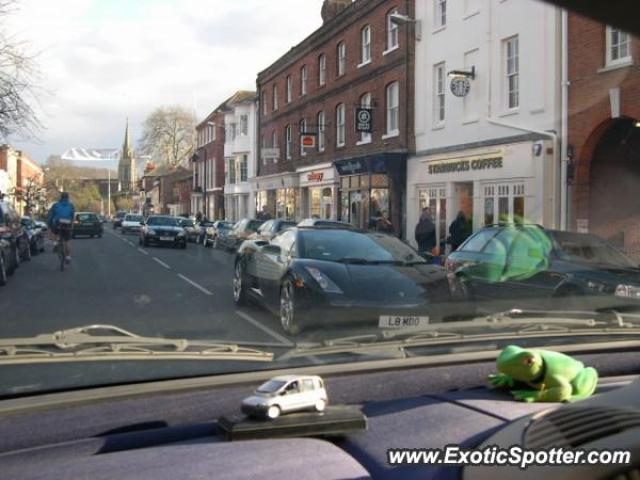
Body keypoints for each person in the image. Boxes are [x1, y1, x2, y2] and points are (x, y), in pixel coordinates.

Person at [47, 192, 75, 264]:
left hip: (57, 223)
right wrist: (72, 226)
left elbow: (50, 216)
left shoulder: (55, 205)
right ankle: (68, 256)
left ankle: (55, 243)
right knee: (66, 241)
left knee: (54, 231)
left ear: (61, 197)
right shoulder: (71, 205)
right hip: (67, 223)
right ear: (68, 198)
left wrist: (49, 225)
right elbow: (72, 216)